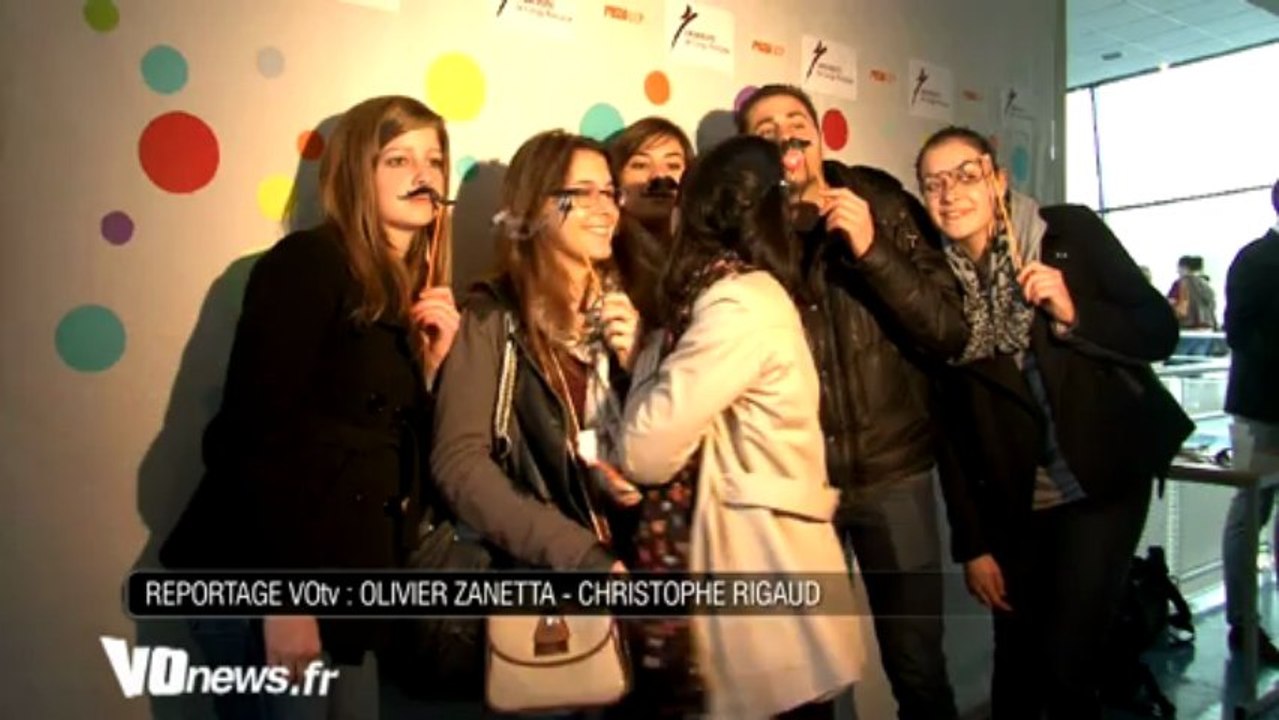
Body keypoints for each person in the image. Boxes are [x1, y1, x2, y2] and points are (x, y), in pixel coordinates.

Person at [159, 95, 461, 718]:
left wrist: (432, 373)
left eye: (434, 160)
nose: (423, 175)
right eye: (398, 158)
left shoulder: (412, 294)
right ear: (356, 172)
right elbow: (251, 438)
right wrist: (286, 598)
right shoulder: (309, 263)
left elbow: (394, 459)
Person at [915, 126, 1189, 719]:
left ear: (997, 179)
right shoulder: (935, 288)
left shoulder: (1068, 234)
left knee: (1068, 667)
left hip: (1100, 482)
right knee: (1014, 662)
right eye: (933, 183)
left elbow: (1158, 332)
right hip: (1016, 502)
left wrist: (1073, 311)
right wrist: (974, 545)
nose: (950, 193)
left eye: (966, 174)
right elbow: (951, 432)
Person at [606, 134, 861, 719]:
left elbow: (646, 450)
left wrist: (645, 354)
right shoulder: (733, 293)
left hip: (760, 582)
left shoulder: (737, 302)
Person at [737, 83, 966, 720]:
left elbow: (948, 331)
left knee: (918, 668)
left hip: (896, 476)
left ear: (819, 134)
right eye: (764, 127)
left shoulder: (881, 200)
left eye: (794, 120)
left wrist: (873, 250)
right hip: (799, 488)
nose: (783, 134)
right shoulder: (747, 234)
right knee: (809, 680)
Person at [430, 129, 638, 579]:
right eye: (582, 193)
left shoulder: (632, 307)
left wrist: (641, 364)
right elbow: (460, 464)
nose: (605, 207)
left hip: (643, 565)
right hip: (553, 580)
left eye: (609, 192)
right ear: (536, 207)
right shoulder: (493, 316)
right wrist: (578, 555)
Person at [1221, 178, 1279, 663]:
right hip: (1262, 408)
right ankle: (1243, 621)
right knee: (1250, 511)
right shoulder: (1257, 261)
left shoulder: (1256, 259)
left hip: (1263, 404)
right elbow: (1238, 332)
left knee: (1253, 511)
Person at [606, 116, 694, 328]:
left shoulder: (707, 255)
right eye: (640, 165)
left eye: (673, 164)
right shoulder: (606, 261)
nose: (659, 176)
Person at [1167, 255, 1218, 330]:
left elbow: (1170, 303)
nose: (1177, 271)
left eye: (1178, 268)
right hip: (1206, 327)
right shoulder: (1206, 285)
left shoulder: (1180, 283)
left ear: (1184, 267)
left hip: (1186, 325)